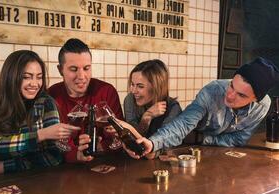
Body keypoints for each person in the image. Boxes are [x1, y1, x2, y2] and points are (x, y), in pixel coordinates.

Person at [122, 57, 279, 159]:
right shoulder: (212, 91)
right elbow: (182, 125)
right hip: (193, 150)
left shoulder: (263, 106)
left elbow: (239, 139)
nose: (230, 95)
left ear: (256, 100)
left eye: (241, 95)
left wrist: (202, 139)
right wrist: (153, 143)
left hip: (218, 151)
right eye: (231, 85)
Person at [0, 50, 79, 176]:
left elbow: (54, 157)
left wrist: (5, 166)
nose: (35, 84)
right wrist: (39, 135)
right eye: (26, 77)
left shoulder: (45, 103)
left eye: (39, 77)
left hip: (33, 181)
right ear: (11, 76)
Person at [48, 38, 123, 163]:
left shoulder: (107, 91)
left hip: (104, 164)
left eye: (86, 68)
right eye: (73, 69)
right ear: (60, 70)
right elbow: (55, 144)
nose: (81, 76)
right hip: (65, 169)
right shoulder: (51, 95)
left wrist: (101, 147)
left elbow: (119, 137)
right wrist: (76, 154)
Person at [124, 59, 182, 138]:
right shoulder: (130, 99)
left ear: (156, 87)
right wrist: (146, 117)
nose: (133, 91)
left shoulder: (173, 108)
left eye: (140, 86)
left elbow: (163, 142)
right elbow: (131, 138)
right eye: (132, 84)